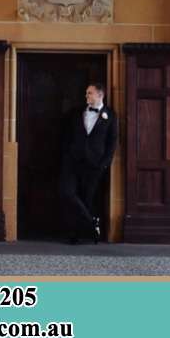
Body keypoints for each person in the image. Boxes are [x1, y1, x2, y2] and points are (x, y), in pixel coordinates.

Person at [59, 83, 118, 245]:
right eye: (86, 93)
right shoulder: (76, 113)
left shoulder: (110, 115)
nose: (86, 96)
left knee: (87, 199)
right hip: (73, 162)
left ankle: (76, 235)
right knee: (67, 192)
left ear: (100, 95)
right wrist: (67, 155)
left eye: (90, 93)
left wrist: (104, 164)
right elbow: (66, 135)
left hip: (94, 166)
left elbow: (112, 143)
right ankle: (93, 222)